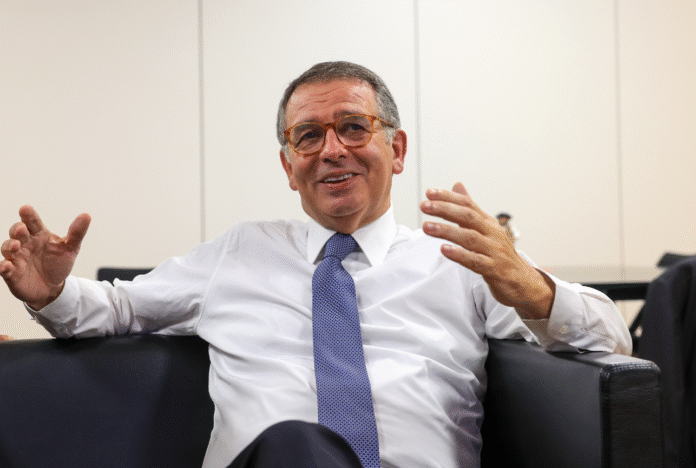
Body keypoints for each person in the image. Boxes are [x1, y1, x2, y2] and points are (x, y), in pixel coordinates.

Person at [0, 61, 630, 468]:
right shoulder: (240, 252)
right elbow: (117, 308)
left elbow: (612, 340)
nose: (332, 150)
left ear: (396, 149)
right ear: (288, 166)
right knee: (296, 445)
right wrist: (51, 291)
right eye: (308, 136)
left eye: (354, 127)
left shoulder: (460, 259)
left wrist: (531, 287)